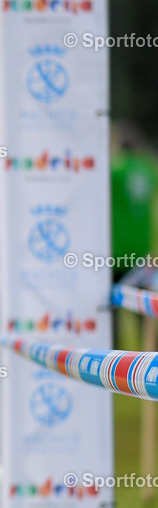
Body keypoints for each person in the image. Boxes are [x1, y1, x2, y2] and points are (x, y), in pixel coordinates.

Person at [110, 123, 158, 349]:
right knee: (145, 310)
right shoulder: (148, 171)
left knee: (113, 312)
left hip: (116, 252)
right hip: (142, 252)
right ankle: (149, 361)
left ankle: (111, 360)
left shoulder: (114, 173)